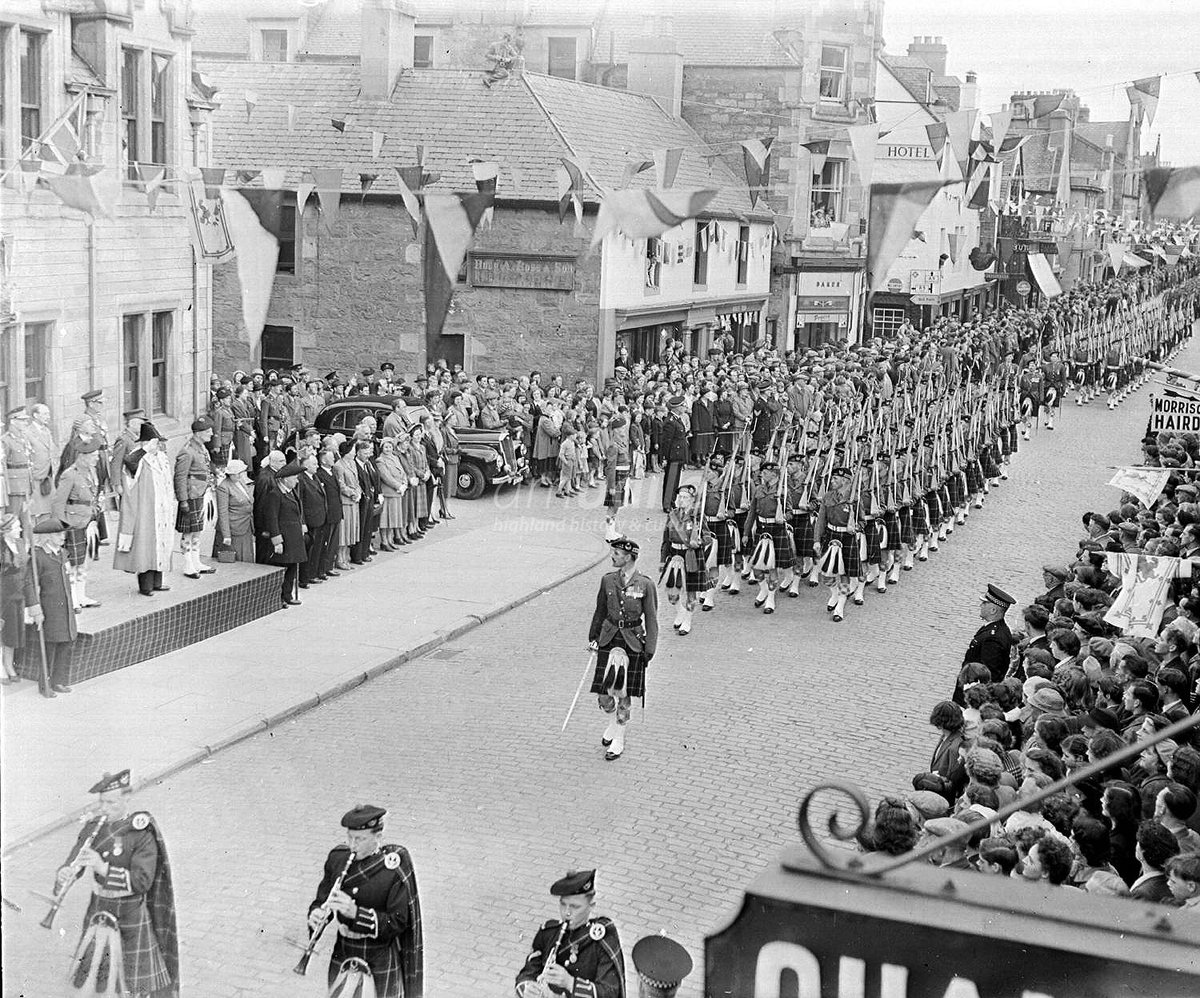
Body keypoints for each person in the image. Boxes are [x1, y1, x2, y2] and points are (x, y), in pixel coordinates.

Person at [60, 769, 179, 997]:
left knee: (133, 986)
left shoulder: (141, 832)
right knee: (96, 981)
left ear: (127, 798)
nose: (104, 808)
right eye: (102, 802)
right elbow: (74, 862)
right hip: (99, 910)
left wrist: (102, 867)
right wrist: (65, 873)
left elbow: (142, 882)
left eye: (111, 802)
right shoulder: (94, 828)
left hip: (131, 915)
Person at [307, 804, 423, 998]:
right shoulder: (337, 859)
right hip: (343, 951)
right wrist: (316, 914)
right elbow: (322, 899)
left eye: (359, 839)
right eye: (349, 837)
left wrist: (356, 914)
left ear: (378, 837)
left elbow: (398, 922)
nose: (352, 845)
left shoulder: (393, 868)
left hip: (379, 956)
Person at [588, 536, 659, 761]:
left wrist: (649, 649)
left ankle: (619, 738)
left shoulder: (645, 584)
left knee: (624, 695)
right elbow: (600, 611)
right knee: (603, 694)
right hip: (609, 639)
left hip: (632, 642)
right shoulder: (607, 580)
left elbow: (651, 619)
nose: (613, 557)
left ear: (629, 557)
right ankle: (611, 723)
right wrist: (593, 637)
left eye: (617, 554)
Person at [514, 870, 624, 998]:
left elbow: (611, 992)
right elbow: (528, 972)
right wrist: (526, 987)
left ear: (591, 906)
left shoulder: (601, 939)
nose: (567, 912)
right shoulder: (549, 933)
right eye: (563, 904)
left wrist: (570, 983)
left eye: (575, 907)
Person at [114, 422, 175, 597]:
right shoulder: (139, 457)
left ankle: (158, 581)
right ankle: (145, 585)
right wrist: (145, 449)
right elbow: (129, 463)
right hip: (146, 509)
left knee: (162, 544)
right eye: (155, 442)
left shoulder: (162, 457)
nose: (158, 446)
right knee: (146, 546)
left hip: (162, 508)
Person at [51, 437, 103, 610]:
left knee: (83, 561)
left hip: (88, 521)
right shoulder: (70, 474)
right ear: (84, 456)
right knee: (72, 563)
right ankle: (72, 598)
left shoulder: (91, 471)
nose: (97, 458)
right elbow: (58, 503)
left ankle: (82, 595)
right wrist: (60, 528)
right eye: (94, 455)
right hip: (72, 523)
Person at [29, 517, 78, 694]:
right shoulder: (38, 557)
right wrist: (36, 609)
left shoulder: (62, 553)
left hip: (64, 608)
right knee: (48, 647)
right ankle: (45, 685)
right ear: (47, 536)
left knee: (65, 643)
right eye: (58, 533)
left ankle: (58, 681)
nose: (62, 536)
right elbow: (31, 585)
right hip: (49, 609)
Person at [174, 417, 217, 580]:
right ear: (199, 434)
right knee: (188, 532)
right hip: (191, 496)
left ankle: (196, 561)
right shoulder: (187, 450)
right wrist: (182, 500)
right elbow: (180, 476)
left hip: (201, 492)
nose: (212, 434)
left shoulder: (201, 448)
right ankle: (188, 565)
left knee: (198, 530)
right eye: (208, 431)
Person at [258, 461, 305, 606]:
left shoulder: (291, 492)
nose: (297, 480)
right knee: (282, 568)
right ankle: (278, 598)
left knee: (291, 567)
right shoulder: (275, 494)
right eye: (294, 477)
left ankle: (287, 595)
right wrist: (277, 540)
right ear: (285, 479)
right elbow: (271, 518)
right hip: (284, 538)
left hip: (294, 537)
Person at [0, 512, 37, 684]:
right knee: (2, 632)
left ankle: (9, 664)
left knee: (13, 633)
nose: (21, 529)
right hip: (3, 595)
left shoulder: (21, 543)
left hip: (18, 593)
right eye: (16, 527)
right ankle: (1, 667)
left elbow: (26, 570)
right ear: (6, 531)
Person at [962, 584, 1016, 684]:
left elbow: (988, 675)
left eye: (984, 603)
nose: (980, 605)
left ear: (993, 610)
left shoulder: (993, 638)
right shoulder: (996, 629)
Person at [297, 452, 329, 588]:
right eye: (314, 464)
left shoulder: (314, 476)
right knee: (310, 550)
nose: (317, 466)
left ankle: (315, 572)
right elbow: (300, 503)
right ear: (305, 466)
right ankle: (306, 577)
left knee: (318, 548)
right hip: (310, 520)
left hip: (320, 517)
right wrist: (302, 522)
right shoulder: (302, 480)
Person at [215, 458, 255, 563]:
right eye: (236, 473)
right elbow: (222, 513)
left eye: (240, 472)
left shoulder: (240, 482)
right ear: (230, 474)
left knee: (247, 558)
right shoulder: (223, 487)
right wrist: (226, 536)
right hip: (234, 530)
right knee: (236, 560)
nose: (239, 475)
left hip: (245, 525)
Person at [316, 445, 345, 579]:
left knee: (333, 542)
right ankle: (324, 568)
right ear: (323, 460)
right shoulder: (320, 474)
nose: (334, 459)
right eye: (331, 457)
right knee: (327, 543)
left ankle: (329, 566)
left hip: (336, 511)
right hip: (328, 514)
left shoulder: (332, 472)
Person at [659, 397, 689, 513]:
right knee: (671, 481)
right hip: (673, 455)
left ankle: (672, 501)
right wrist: (665, 458)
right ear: (676, 408)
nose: (684, 407)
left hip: (678, 454)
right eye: (682, 406)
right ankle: (667, 504)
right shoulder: (670, 422)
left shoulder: (677, 419)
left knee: (675, 481)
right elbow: (666, 442)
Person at [3, 404, 34, 516]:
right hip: (14, 487)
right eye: (22, 420)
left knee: (27, 522)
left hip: (26, 484)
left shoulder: (24, 438)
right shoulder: (5, 441)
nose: (26, 423)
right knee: (13, 518)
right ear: (13, 421)